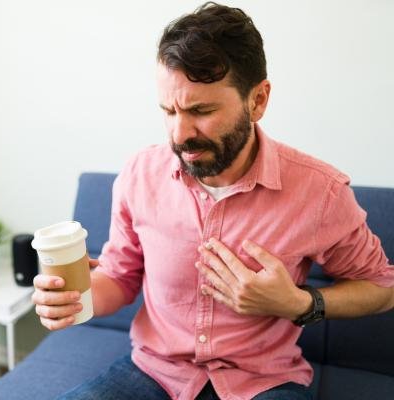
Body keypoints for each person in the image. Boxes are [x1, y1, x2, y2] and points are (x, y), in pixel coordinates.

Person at [31, 3, 394, 399]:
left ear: (258, 100)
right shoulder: (139, 174)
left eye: (200, 110)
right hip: (154, 373)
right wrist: (72, 299)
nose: (179, 133)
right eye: (168, 111)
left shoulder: (319, 192)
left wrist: (300, 303)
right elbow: (120, 276)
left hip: (263, 381)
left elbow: (382, 286)